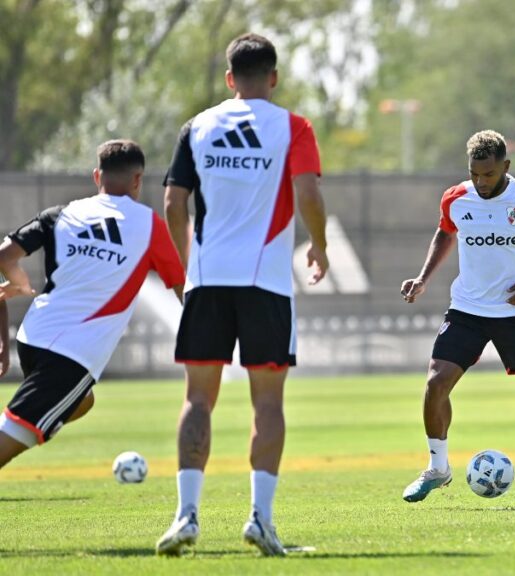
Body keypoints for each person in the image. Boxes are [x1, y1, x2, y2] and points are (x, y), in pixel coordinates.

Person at [156, 33, 329, 557]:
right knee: (268, 402)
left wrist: (193, 268)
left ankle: (186, 516)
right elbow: (308, 192)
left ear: (229, 78)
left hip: (207, 281)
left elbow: (172, 202)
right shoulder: (292, 126)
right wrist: (320, 247)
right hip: (266, 283)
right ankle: (260, 520)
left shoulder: (198, 126)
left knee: (198, 399)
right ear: (272, 77)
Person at [399, 130, 515, 507]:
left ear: (506, 166)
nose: (481, 182)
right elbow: (445, 233)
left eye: (488, 174)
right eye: (474, 174)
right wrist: (423, 278)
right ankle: (437, 467)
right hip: (467, 309)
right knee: (436, 383)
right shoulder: (456, 197)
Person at [0, 140, 184, 469]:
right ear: (138, 180)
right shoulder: (150, 226)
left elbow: (5, 256)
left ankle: (39, 418)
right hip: (70, 354)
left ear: (97, 175)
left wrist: (19, 281)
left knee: (82, 401)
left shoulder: (62, 213)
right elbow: (182, 287)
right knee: (19, 431)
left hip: (32, 337)